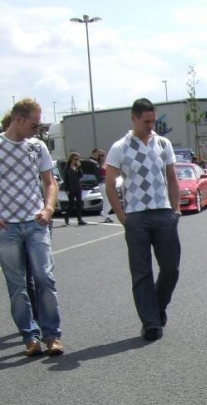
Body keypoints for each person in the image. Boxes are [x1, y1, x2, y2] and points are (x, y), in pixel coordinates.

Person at [104, 97, 181, 342]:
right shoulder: (120, 147)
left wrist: (176, 210)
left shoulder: (163, 143)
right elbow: (110, 185)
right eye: (146, 121)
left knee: (171, 268)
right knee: (141, 273)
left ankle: (157, 306)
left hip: (164, 213)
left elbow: (172, 178)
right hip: (136, 217)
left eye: (153, 121)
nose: (150, 126)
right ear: (134, 118)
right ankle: (151, 324)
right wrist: (122, 216)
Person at [0, 98, 64, 356]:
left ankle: (52, 336)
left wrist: (48, 208)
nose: (38, 130)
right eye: (35, 125)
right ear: (19, 120)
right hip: (7, 228)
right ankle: (30, 337)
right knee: (17, 286)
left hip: (36, 222)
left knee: (44, 278)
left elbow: (50, 182)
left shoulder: (37, 147)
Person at [62, 152, 87, 226]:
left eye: (78, 159)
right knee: (71, 203)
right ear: (71, 159)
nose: (77, 160)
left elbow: (81, 176)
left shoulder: (77, 167)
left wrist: (79, 167)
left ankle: (80, 219)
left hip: (78, 187)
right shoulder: (67, 168)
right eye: (75, 159)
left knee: (79, 203)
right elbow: (65, 179)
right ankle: (67, 217)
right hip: (70, 188)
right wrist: (66, 189)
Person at [98, 150, 114, 222]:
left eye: (103, 155)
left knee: (111, 201)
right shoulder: (98, 165)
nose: (102, 157)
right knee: (106, 200)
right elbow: (98, 176)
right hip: (102, 184)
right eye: (100, 155)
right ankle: (106, 216)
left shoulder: (107, 163)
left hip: (108, 183)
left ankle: (104, 212)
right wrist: (105, 177)